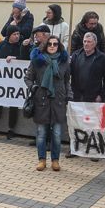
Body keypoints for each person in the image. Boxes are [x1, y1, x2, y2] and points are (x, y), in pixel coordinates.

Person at [26, 35, 71, 172]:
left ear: (59, 46)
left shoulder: (64, 62)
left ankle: (55, 160)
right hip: (42, 100)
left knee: (57, 133)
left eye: (55, 44)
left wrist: (68, 95)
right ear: (45, 45)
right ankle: (41, 160)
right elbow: (28, 78)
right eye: (50, 44)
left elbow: (66, 81)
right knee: (41, 133)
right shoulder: (37, 61)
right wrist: (33, 87)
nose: (52, 46)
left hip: (58, 100)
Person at [0, 25, 25, 138]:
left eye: (18, 34)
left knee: (13, 105)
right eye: (14, 34)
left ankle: (11, 129)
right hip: (2, 80)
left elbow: (25, 58)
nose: (17, 36)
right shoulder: (2, 45)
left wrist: (15, 59)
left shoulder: (21, 46)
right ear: (9, 35)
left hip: (15, 82)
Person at [69, 32, 105, 105]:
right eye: (85, 41)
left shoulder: (102, 58)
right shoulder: (75, 55)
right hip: (76, 98)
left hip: (93, 99)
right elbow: (68, 74)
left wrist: (101, 96)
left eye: (89, 42)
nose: (86, 44)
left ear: (95, 43)